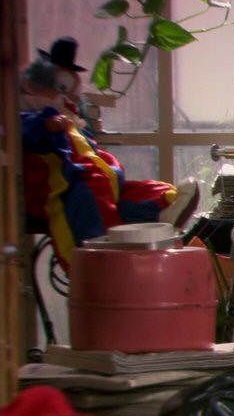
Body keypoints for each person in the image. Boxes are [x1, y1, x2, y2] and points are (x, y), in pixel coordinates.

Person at [20, 37, 199, 268]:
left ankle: (165, 210)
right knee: (90, 201)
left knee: (138, 190)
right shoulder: (31, 114)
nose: (70, 98)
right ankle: (102, 258)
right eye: (62, 89)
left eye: (73, 92)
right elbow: (22, 130)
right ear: (31, 85)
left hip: (103, 181)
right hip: (64, 185)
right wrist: (45, 125)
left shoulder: (70, 118)